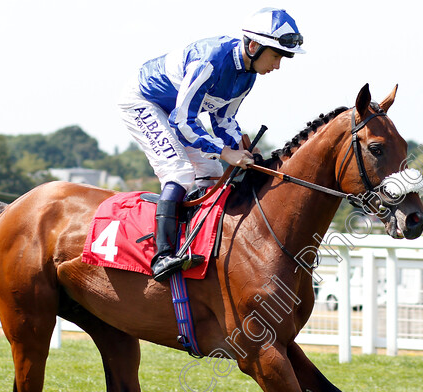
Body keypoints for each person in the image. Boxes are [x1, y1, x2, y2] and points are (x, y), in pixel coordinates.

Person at [118, 7, 305, 281]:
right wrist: (225, 151)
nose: (277, 65)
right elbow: (182, 121)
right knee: (179, 172)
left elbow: (224, 121)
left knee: (213, 173)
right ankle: (162, 255)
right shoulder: (211, 61)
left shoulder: (247, 76)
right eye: (276, 55)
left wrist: (243, 150)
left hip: (176, 113)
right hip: (144, 102)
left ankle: (199, 242)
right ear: (253, 46)